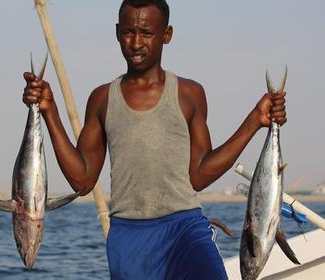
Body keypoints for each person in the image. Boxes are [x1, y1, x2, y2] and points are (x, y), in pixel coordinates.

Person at [22, 0, 287, 279]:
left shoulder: (189, 94)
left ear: (166, 35)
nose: (136, 43)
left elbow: (199, 175)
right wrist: (50, 112)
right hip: (128, 236)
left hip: (184, 228)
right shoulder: (101, 99)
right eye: (128, 32)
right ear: (117, 32)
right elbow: (82, 181)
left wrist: (254, 121)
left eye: (146, 33)